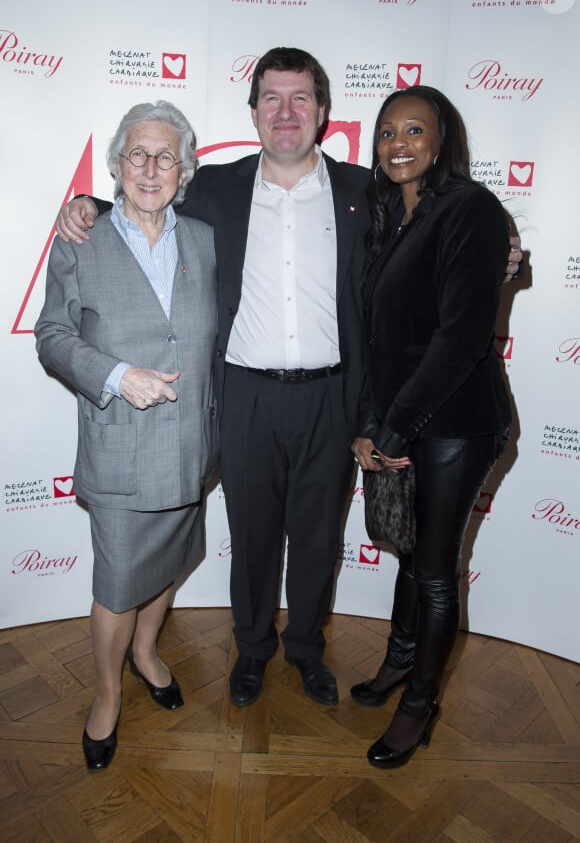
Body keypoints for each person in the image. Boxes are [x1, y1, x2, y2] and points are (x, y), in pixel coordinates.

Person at [55, 48, 522, 711]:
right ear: (252, 112)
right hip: (243, 394)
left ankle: (305, 648)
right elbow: (144, 195)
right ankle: (252, 649)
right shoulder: (215, 186)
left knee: (317, 538)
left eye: (300, 98)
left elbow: (442, 218)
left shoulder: (366, 191)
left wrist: (503, 240)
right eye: (271, 98)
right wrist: (85, 205)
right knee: (251, 537)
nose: (285, 112)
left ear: (323, 113)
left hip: (333, 395)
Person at [35, 101, 218, 770]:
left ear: (183, 170)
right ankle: (107, 692)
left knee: (173, 558)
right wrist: (114, 374)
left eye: (165, 156)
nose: (150, 167)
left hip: (192, 444)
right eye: (137, 154)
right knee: (117, 584)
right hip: (120, 448)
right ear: (115, 165)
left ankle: (146, 652)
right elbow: (51, 337)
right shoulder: (81, 239)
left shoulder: (204, 239)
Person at [351, 86, 513, 769]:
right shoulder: (390, 217)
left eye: (414, 130)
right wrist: (372, 423)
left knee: (437, 572)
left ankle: (420, 705)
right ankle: (398, 662)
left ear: (442, 140)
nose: (398, 144)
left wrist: (395, 430)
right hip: (405, 419)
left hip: (457, 423)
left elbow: (460, 339)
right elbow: (379, 341)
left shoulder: (470, 209)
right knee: (413, 554)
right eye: (387, 132)